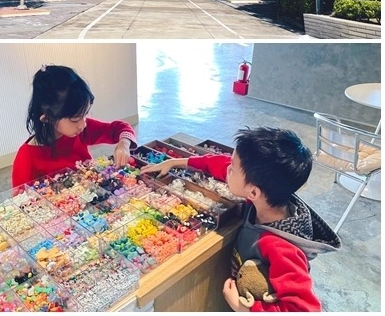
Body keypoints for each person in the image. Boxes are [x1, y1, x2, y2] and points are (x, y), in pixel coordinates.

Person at [141, 127, 340, 312]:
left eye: (233, 169)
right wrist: (175, 162)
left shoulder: (281, 248)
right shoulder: (266, 198)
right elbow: (219, 163)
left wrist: (244, 309)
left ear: (253, 191)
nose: (227, 169)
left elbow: (305, 310)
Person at [11, 65, 137, 188]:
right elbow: (20, 202)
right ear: (47, 118)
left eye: (85, 114)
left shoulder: (81, 130)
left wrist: (124, 144)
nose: (83, 124)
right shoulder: (26, 158)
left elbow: (121, 128)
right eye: (75, 119)